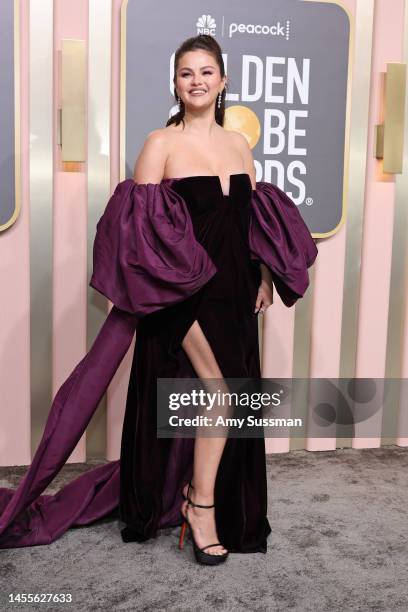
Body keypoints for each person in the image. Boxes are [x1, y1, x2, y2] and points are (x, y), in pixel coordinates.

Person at [0, 35, 318, 561]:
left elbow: (250, 224)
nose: (197, 81)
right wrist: (168, 292)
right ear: (175, 83)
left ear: (223, 80)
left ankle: (199, 496)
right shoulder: (160, 145)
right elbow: (135, 235)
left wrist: (263, 276)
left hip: (234, 295)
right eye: (186, 73)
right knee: (221, 395)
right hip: (182, 296)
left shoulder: (240, 145)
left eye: (207, 71)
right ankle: (201, 508)